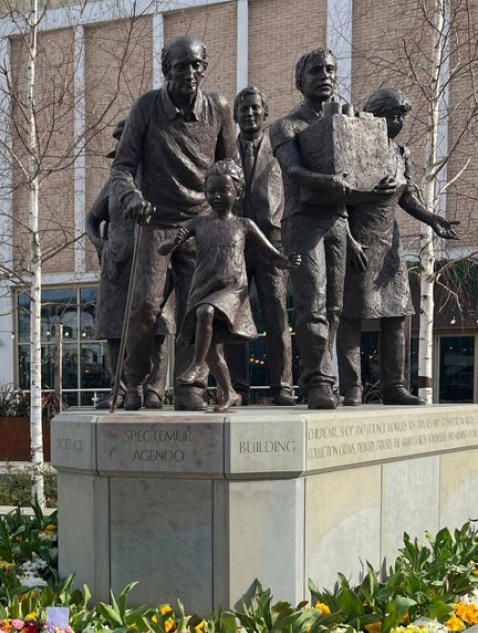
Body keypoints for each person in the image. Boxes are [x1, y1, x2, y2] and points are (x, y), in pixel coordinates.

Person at [111, 34, 237, 411]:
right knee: (145, 307)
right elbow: (121, 166)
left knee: (195, 311)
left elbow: (229, 167)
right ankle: (133, 382)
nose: (190, 72)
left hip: (200, 225)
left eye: (197, 64)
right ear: (167, 70)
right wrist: (132, 198)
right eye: (181, 65)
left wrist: (225, 215)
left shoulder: (218, 108)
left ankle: (189, 387)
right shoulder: (147, 107)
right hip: (156, 223)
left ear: (205, 67)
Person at [269, 48, 397, 409]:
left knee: (337, 307)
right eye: (316, 70)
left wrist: (378, 187)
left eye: (330, 69)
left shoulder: (346, 122)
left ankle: (325, 376)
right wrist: (329, 181)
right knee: (312, 304)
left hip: (338, 222)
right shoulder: (285, 126)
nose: (325, 75)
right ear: (300, 81)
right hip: (302, 222)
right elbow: (293, 171)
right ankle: (318, 383)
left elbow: (363, 171)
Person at [337, 88, 460, 405]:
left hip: (389, 243)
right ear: (375, 117)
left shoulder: (400, 154)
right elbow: (336, 198)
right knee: (352, 313)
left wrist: (432, 218)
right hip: (358, 238)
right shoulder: (353, 148)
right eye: (392, 115)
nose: (398, 122)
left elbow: (407, 198)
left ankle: (395, 386)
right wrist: (347, 239)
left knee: (398, 313)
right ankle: (352, 387)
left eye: (401, 116)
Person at [159, 159, 300, 411]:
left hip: (233, 289)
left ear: (238, 192)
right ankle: (230, 392)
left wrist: (288, 261)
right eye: (211, 191)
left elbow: (271, 254)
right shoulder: (198, 224)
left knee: (206, 312)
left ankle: (196, 366)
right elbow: (164, 247)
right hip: (204, 287)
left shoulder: (244, 224)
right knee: (211, 345)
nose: (217, 196)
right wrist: (173, 241)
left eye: (224, 190)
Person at [87, 120, 171, 409]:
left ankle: (154, 390)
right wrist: (101, 244)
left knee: (156, 327)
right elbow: (92, 218)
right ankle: (120, 390)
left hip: (154, 260)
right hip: (117, 265)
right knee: (115, 327)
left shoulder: (160, 180)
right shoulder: (113, 184)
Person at [224, 86, 297, 406]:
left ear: (265, 113)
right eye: (243, 109)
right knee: (235, 315)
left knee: (275, 314)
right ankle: (237, 388)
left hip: (272, 238)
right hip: (236, 241)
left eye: (255, 108)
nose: (249, 113)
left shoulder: (281, 145)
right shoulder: (227, 150)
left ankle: (282, 386)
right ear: (236, 115)